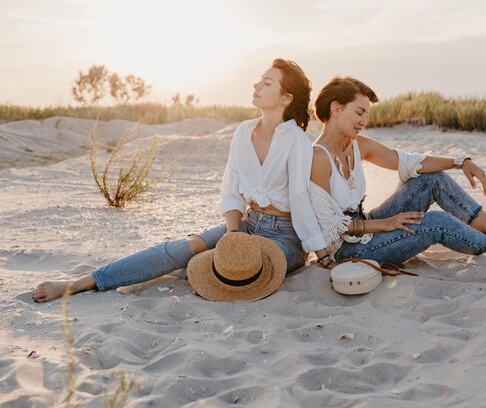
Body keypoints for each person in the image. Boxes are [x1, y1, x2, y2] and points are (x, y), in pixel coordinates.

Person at [33, 58, 327, 303]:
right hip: (248, 223)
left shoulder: (298, 141)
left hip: (285, 237)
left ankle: (186, 270)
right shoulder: (242, 132)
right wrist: (233, 233)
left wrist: (322, 251)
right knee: (189, 246)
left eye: (267, 83)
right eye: (259, 79)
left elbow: (300, 199)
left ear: (286, 98)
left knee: (242, 267)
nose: (256, 85)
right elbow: (230, 188)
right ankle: (83, 282)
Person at [309, 76, 486, 269]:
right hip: (347, 252)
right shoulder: (318, 158)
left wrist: (460, 162)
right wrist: (387, 224)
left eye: (366, 114)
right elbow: (331, 227)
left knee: (431, 179)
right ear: (336, 108)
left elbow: (410, 162)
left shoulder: (358, 145)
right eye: (359, 112)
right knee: (436, 222)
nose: (364, 121)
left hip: (366, 226)